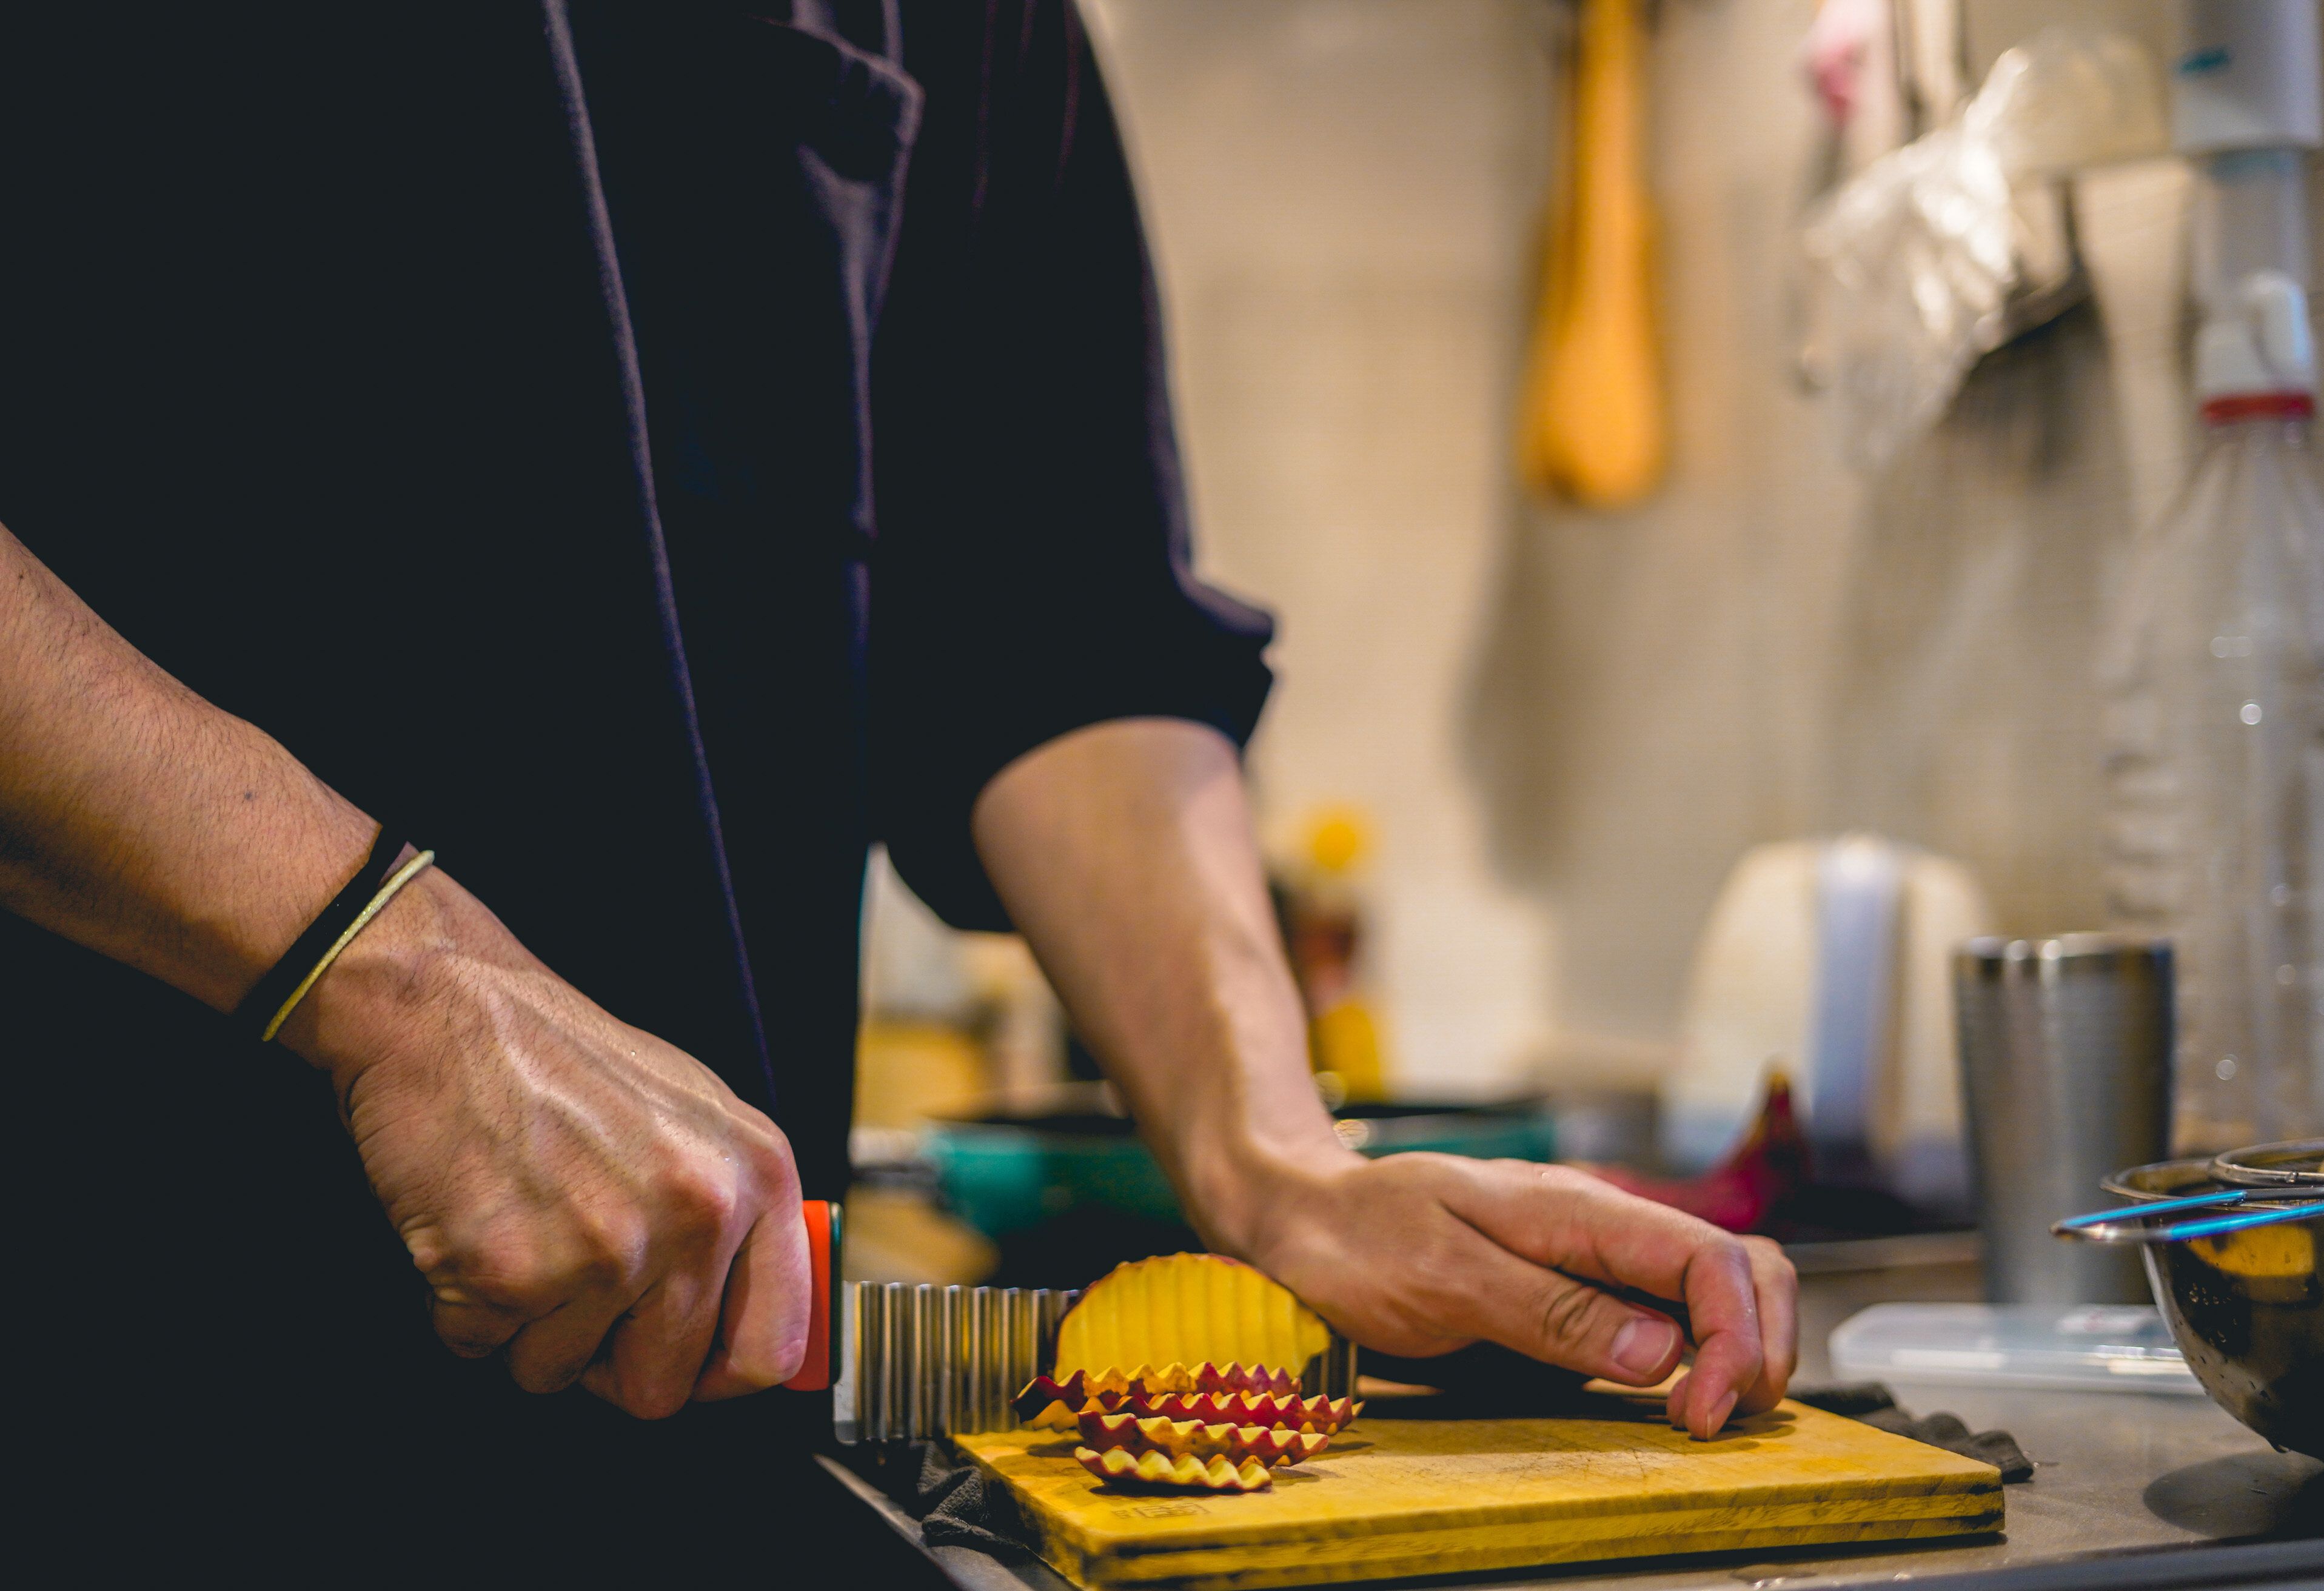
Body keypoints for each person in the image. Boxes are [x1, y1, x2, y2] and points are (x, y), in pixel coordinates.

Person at [0, 0, 1792, 1532]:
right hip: (110, 1409)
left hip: (698, 1441)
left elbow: (1063, 635)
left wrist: (1274, 1159)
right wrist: (385, 973)